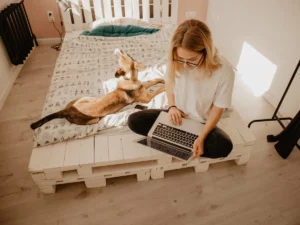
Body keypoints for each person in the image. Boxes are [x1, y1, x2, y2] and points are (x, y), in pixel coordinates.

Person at [128, 19, 235, 159]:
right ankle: (179, 138)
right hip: (176, 114)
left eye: (191, 60)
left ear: (206, 51)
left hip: (202, 121)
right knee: (134, 121)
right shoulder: (175, 60)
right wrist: (172, 106)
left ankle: (181, 139)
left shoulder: (224, 71)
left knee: (224, 147)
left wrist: (202, 137)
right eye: (180, 59)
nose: (185, 65)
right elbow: (169, 83)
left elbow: (218, 108)